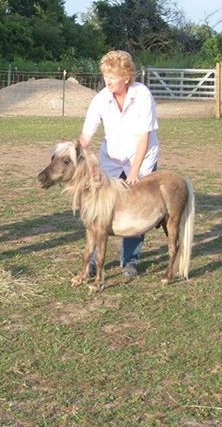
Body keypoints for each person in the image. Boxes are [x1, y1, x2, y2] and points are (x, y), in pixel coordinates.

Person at [78, 50, 159, 279]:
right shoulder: (100, 99)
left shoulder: (141, 95)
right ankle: (93, 261)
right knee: (99, 210)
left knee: (136, 209)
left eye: (112, 75)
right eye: (105, 75)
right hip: (111, 163)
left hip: (141, 161)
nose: (108, 80)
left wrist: (134, 173)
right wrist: (73, 151)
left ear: (126, 75)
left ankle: (130, 261)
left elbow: (144, 138)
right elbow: (86, 136)